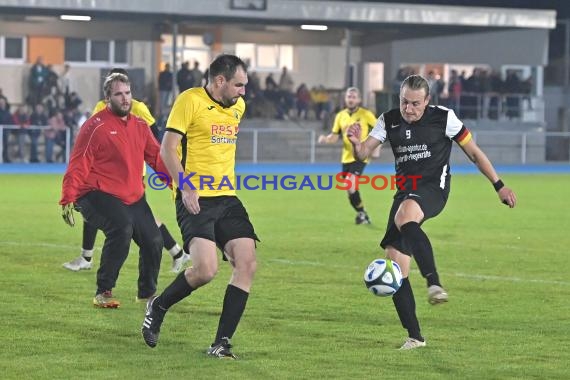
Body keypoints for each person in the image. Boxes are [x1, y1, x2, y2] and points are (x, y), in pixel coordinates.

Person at [347, 74, 517, 350]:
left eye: (415, 103)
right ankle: (415, 337)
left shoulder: (444, 118)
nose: (409, 109)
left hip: (433, 190)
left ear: (427, 101)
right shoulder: (389, 119)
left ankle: (434, 283)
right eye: (404, 102)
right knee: (395, 265)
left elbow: (474, 152)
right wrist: (356, 142)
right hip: (405, 193)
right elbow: (364, 153)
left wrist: (499, 185)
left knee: (405, 216)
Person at [141, 54, 258, 360]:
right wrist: (185, 184)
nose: (243, 92)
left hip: (227, 197)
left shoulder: (238, 107)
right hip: (195, 198)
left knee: (246, 263)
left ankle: (221, 342)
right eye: (239, 85)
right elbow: (167, 149)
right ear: (220, 81)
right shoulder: (189, 101)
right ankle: (159, 305)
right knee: (206, 270)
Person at [62, 68, 190, 274]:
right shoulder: (100, 107)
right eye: (117, 91)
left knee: (136, 220)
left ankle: (176, 253)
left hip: (131, 172)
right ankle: (87, 257)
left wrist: (169, 172)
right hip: (106, 171)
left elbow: (154, 138)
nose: (123, 96)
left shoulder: (138, 108)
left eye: (126, 91)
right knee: (106, 213)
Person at [318, 87, 377, 224]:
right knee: (350, 190)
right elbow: (334, 136)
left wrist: (374, 147)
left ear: (359, 99)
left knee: (350, 184)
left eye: (354, 97)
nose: (351, 99)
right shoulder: (340, 116)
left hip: (361, 155)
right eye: (349, 97)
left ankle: (362, 214)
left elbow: (380, 130)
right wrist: (326, 139)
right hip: (346, 158)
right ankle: (362, 213)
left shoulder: (366, 114)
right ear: (345, 99)